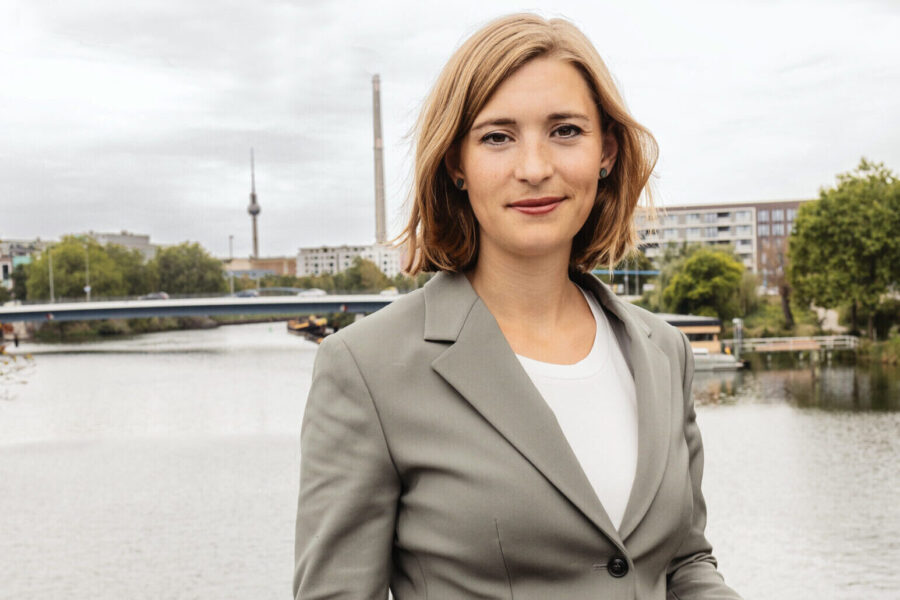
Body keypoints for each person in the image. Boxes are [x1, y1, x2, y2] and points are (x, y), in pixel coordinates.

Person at [294, 13, 741, 600]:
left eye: (565, 131)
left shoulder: (664, 351)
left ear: (606, 151)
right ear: (457, 163)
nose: (534, 168)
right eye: (497, 136)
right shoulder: (366, 368)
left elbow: (683, 562)